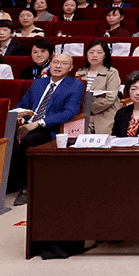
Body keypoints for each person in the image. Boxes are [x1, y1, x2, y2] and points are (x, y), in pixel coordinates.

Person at [8, 53, 85, 201]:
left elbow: (70, 112)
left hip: (51, 128)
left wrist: (39, 123)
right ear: (50, 64)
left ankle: (28, 186)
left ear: (71, 68)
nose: (58, 66)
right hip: (28, 123)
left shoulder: (75, 85)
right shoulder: (38, 83)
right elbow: (23, 104)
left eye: (63, 63)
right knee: (6, 137)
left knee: (29, 140)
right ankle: (10, 182)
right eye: (55, 62)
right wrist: (20, 115)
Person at [76, 41, 122, 134]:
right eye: (91, 52)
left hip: (105, 112)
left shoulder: (111, 73)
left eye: (99, 52)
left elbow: (110, 98)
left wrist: (88, 108)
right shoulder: (80, 72)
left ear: (105, 55)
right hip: (82, 113)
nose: (94, 55)